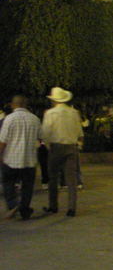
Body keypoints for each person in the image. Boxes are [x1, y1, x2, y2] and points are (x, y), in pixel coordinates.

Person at [41, 87, 84, 217]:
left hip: (56, 147)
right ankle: (72, 208)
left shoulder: (50, 113)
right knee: (71, 179)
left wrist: (48, 146)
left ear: (53, 100)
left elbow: (45, 133)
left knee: (53, 178)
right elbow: (79, 133)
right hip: (71, 147)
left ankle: (53, 206)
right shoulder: (74, 113)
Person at [0, 95, 42, 220]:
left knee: (8, 183)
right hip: (29, 159)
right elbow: (40, 137)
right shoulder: (35, 119)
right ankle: (24, 210)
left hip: (11, 158)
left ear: (13, 105)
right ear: (26, 105)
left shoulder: (9, 119)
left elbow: (3, 140)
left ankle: (13, 204)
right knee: (27, 186)